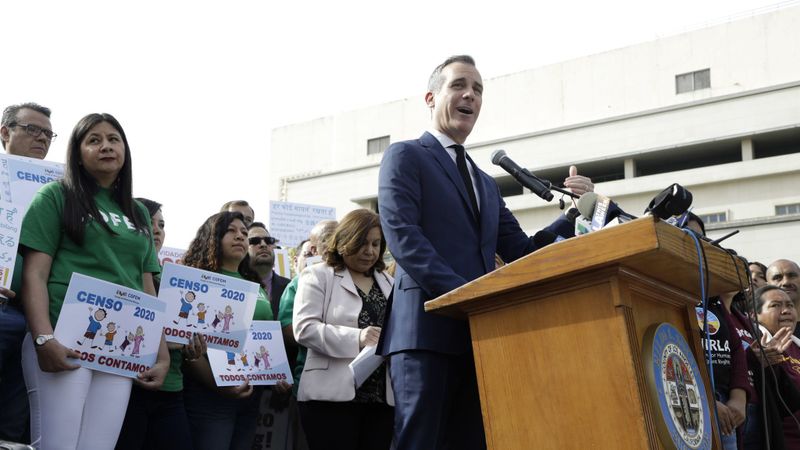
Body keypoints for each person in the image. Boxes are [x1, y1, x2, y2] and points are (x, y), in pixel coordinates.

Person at [377, 55, 593, 449]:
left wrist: (575, 216)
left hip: (479, 336)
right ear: (431, 97)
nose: (469, 95)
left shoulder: (485, 183)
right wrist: (467, 297)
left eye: (478, 90)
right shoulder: (405, 156)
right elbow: (404, 238)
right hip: (425, 331)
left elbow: (524, 251)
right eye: (459, 85)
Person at [19, 113, 169, 449]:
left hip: (120, 347)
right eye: (94, 140)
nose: (106, 146)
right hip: (63, 337)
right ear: (77, 152)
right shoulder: (55, 196)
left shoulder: (138, 212)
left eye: (114, 139)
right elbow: (35, 274)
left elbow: (146, 287)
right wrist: (44, 339)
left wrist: (161, 356)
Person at [293, 209, 394, 450]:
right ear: (345, 240)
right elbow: (304, 328)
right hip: (329, 399)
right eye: (362, 243)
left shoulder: (389, 282)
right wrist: (357, 337)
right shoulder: (317, 275)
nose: (370, 251)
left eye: (376, 244)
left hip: (381, 399)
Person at [180, 211, 273, 450]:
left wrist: (276, 375)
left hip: (250, 395)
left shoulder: (255, 285)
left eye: (244, 232)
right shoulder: (197, 281)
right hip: (210, 397)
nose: (240, 237)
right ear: (212, 237)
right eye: (231, 231)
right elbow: (187, 347)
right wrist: (220, 386)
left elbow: (265, 340)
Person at [116, 198, 204, 450]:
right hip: (128, 388)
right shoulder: (120, 274)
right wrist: (167, 341)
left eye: (161, 224)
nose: (156, 230)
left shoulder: (179, 281)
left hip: (171, 391)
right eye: (147, 222)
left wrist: (191, 349)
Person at [0, 102, 56, 444]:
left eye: (48, 134)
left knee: (14, 424)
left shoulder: (59, 196)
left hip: (35, 324)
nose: (42, 138)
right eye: (32, 130)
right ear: (5, 132)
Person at [753, 285, 800, 448]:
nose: (786, 310)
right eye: (775, 305)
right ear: (754, 315)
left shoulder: (797, 345)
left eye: (790, 305)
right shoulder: (755, 346)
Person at [248, 222, 290, 318]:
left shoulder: (290, 287)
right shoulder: (234, 284)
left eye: (268, 240)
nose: (263, 245)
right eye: (255, 241)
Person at [766, 259, 800, 338]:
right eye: (777, 277)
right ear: (767, 286)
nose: (786, 282)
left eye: (792, 275)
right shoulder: (758, 330)